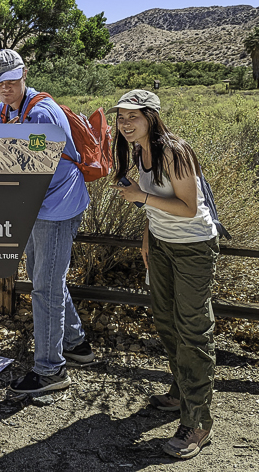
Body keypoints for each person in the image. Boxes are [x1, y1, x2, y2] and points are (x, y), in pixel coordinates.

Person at [110, 90, 219, 459]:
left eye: (132, 117)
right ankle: (181, 391)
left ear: (151, 118)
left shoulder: (175, 151)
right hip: (161, 244)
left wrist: (141, 199)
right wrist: (147, 234)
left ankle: (198, 421)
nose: (125, 124)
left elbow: (189, 209)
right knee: (166, 321)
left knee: (193, 330)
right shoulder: (138, 151)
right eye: (121, 117)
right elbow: (154, 201)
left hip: (192, 248)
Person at [0, 48, 95, 394]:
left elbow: (33, 172)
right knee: (43, 276)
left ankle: (51, 371)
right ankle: (77, 344)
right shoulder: (3, 111)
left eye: (10, 79)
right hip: (34, 205)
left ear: (24, 74)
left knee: (45, 286)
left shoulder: (42, 115)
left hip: (57, 206)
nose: (4, 87)